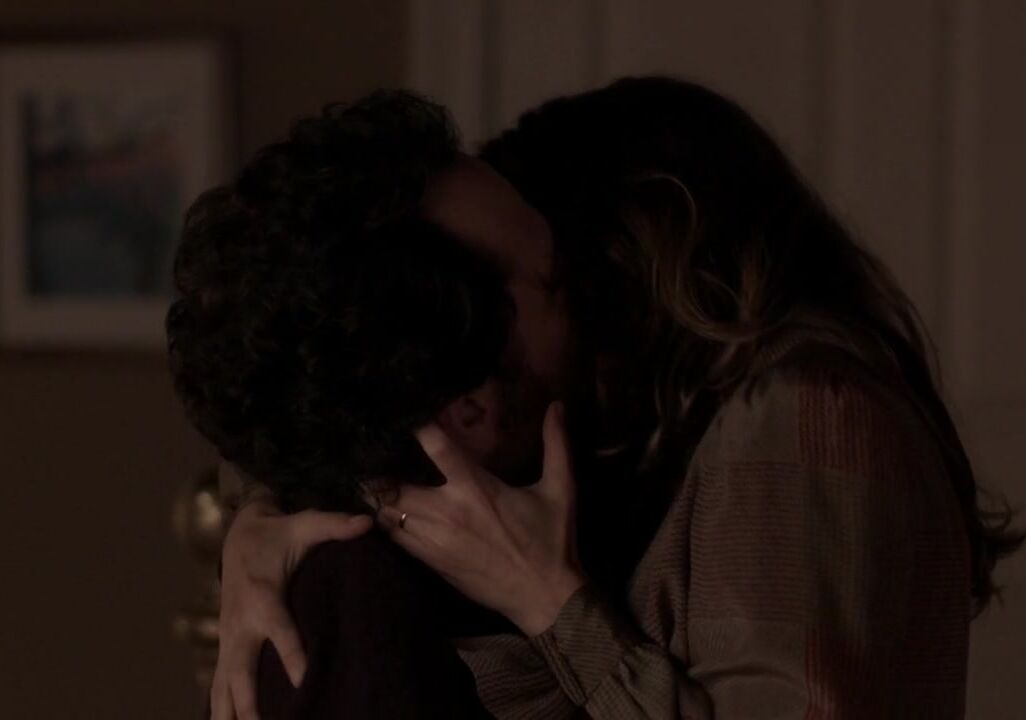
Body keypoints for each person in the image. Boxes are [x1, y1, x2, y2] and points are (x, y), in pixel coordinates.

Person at [209, 77, 1023, 719]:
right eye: (562, 282)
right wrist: (257, 521)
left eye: (570, 277)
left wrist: (553, 605)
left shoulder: (803, 414)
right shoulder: (594, 465)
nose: (587, 311)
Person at [166, 91, 589, 718]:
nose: (593, 304)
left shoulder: (347, 556)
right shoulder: (365, 637)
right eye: (555, 286)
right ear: (470, 409)